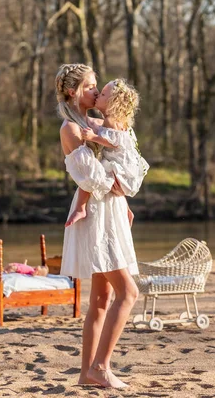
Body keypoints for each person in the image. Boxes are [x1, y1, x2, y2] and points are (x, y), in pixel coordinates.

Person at [55, 63, 140, 389]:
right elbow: (91, 176)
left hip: (111, 210)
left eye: (97, 87)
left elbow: (115, 160)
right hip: (98, 216)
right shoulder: (71, 130)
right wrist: (117, 187)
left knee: (102, 298)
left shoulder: (95, 124)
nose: (96, 91)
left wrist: (125, 201)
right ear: (73, 92)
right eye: (91, 86)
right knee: (128, 292)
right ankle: (101, 367)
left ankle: (86, 374)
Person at [65, 78, 149, 228]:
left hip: (118, 169)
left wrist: (94, 137)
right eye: (91, 88)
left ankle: (81, 207)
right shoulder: (110, 121)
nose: (97, 94)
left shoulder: (110, 122)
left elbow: (114, 143)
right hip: (120, 168)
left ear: (112, 103)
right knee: (96, 168)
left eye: (103, 94)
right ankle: (81, 207)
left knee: (98, 168)